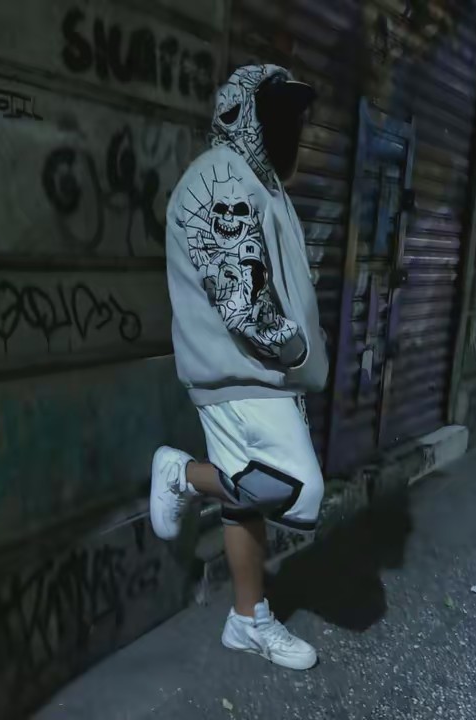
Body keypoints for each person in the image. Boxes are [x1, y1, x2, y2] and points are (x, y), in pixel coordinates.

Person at [150, 64, 328, 671]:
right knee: (298, 491)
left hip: (259, 371)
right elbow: (241, 300)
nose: (294, 129)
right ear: (246, 114)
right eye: (281, 116)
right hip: (241, 370)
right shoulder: (222, 178)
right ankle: (181, 474)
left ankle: (247, 620)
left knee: (247, 497)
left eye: (296, 118)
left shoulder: (259, 179)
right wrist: (296, 350)